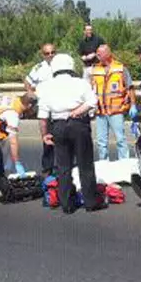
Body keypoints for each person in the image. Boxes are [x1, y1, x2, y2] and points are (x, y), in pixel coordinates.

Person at [37, 53, 100, 213]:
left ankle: (66, 204)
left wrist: (45, 135)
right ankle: (90, 202)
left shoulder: (46, 86)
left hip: (58, 126)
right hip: (78, 124)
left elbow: (43, 116)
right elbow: (93, 101)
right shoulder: (80, 83)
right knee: (85, 164)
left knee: (63, 167)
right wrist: (78, 111)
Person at [91, 44, 133, 160]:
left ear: (108, 54)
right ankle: (103, 162)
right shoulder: (95, 70)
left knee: (120, 139)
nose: (97, 55)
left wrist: (133, 105)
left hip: (116, 111)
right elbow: (91, 89)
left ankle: (124, 162)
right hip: (101, 112)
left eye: (100, 53)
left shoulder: (121, 69)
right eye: (97, 53)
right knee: (101, 142)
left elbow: (129, 87)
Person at [25, 43, 57, 174]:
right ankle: (48, 167)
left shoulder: (62, 65)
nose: (50, 55)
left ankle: (64, 166)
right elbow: (27, 81)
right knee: (47, 138)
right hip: (44, 107)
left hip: (60, 106)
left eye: (52, 52)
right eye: (47, 53)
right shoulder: (38, 68)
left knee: (63, 137)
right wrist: (30, 93)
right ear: (42, 55)